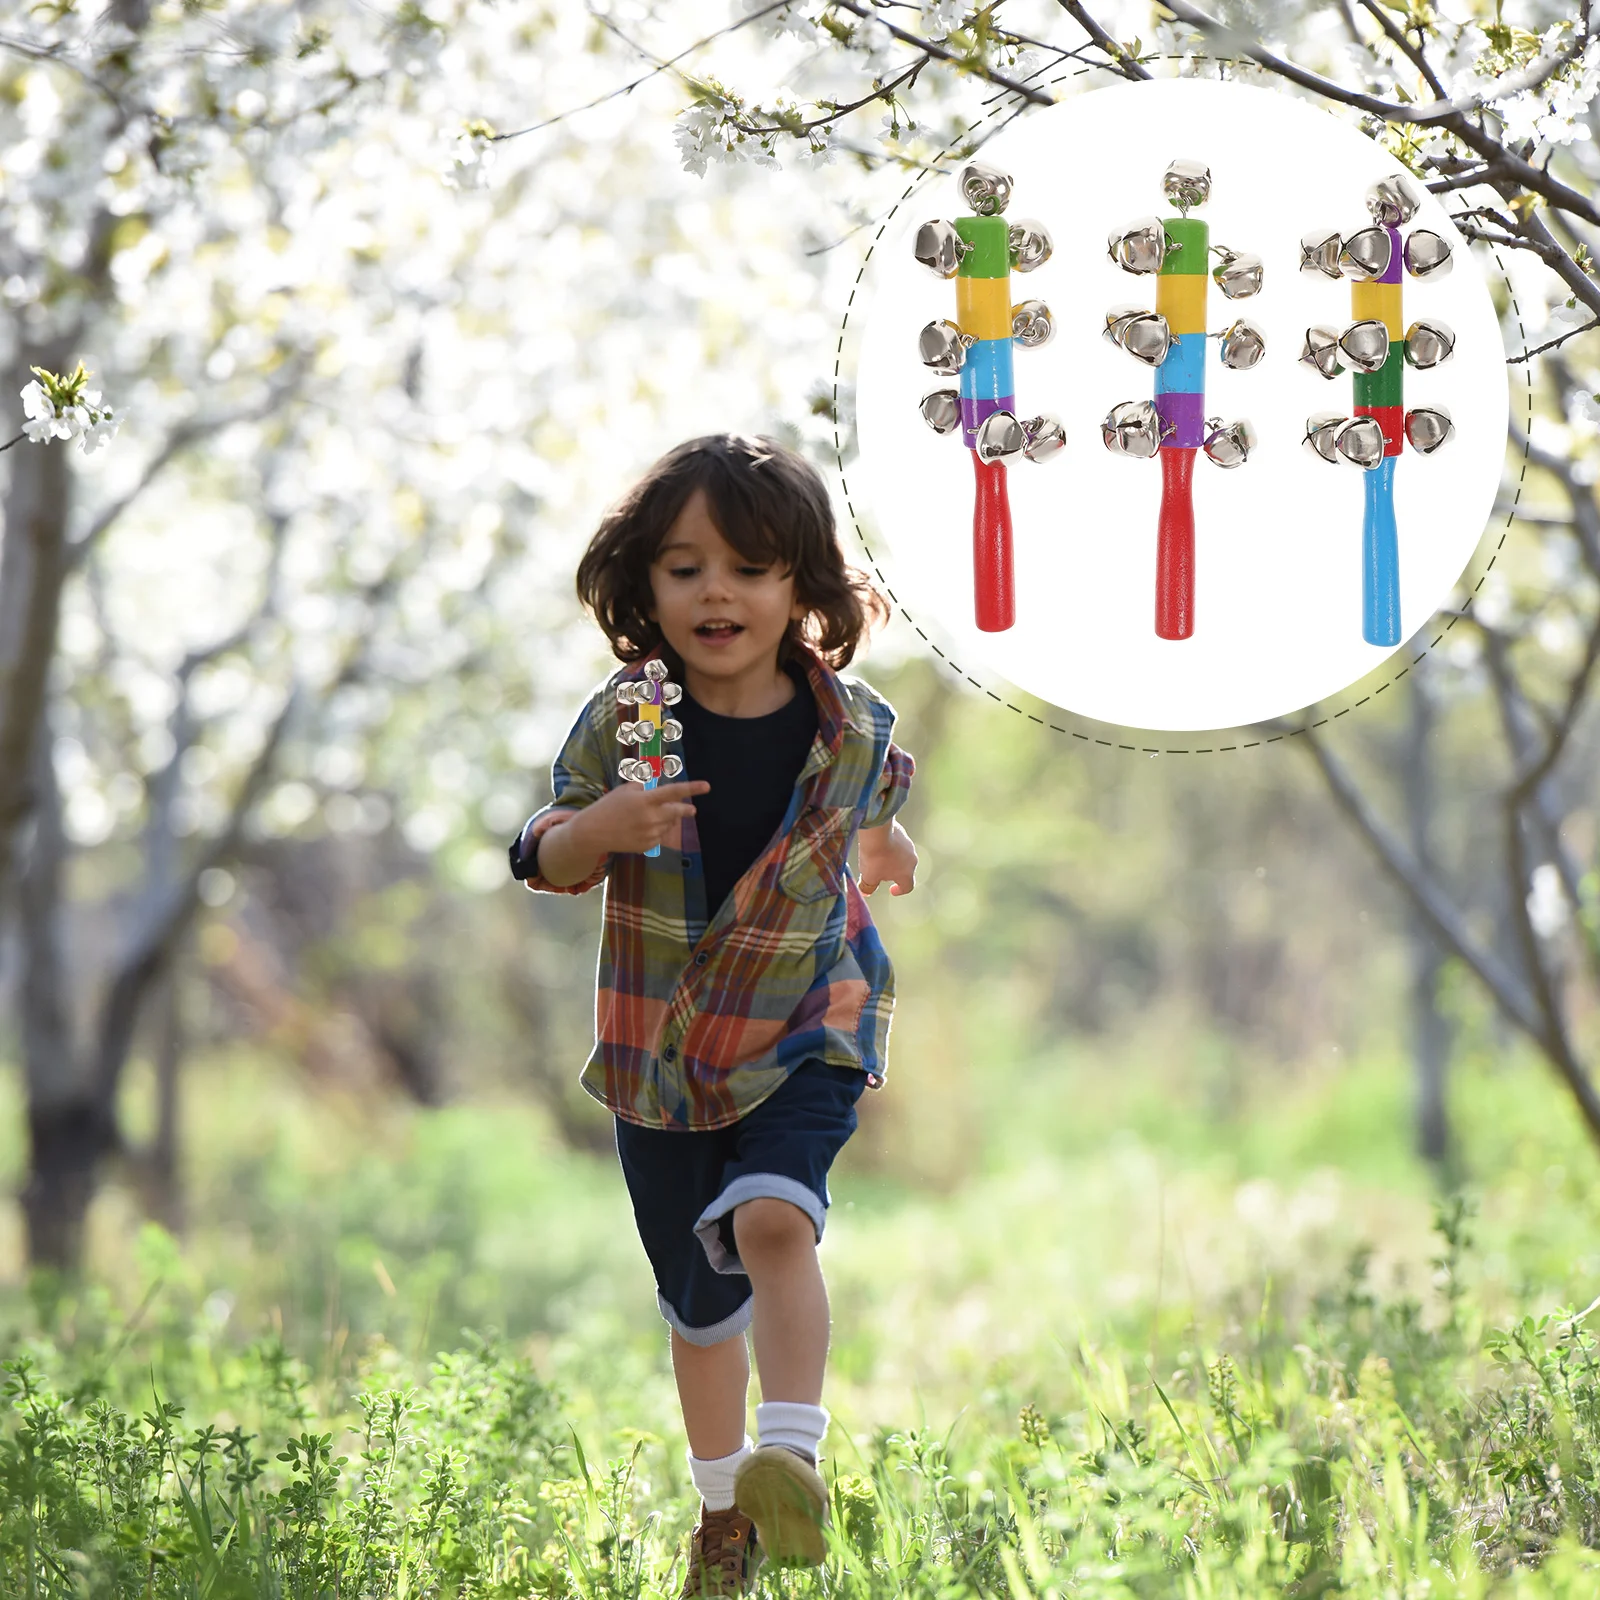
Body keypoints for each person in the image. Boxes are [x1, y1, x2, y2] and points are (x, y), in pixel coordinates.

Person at [510, 433, 918, 1595]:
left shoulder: (851, 725)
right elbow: (541, 846)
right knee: (699, 1306)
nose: (716, 592)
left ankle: (791, 1455)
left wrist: (887, 848)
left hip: (808, 1017)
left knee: (773, 1222)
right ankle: (724, 1508)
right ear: (643, 587)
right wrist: (593, 834)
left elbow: (874, 801)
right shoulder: (629, 721)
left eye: (748, 566)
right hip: (667, 1051)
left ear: (801, 590)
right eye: (684, 568)